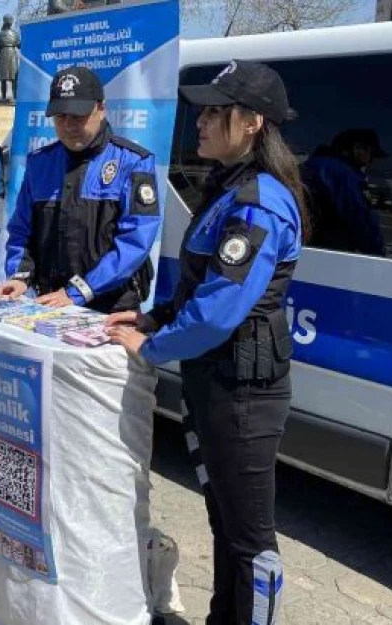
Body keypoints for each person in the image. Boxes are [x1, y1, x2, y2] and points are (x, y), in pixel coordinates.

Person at [105, 60, 309, 625]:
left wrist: (151, 348)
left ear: (252, 124)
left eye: (216, 112)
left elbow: (218, 312)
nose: (200, 121)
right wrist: (151, 318)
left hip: (243, 392)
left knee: (251, 540)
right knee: (224, 521)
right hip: (216, 383)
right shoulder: (228, 188)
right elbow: (199, 285)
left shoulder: (258, 203)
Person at [0, 66, 161, 313]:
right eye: (61, 117)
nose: (69, 125)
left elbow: (135, 241)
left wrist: (79, 291)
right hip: (51, 303)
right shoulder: (39, 163)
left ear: (101, 109)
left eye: (78, 116)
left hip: (112, 306)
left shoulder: (133, 162)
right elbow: (21, 231)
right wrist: (19, 277)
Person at [301, 128, 387, 255]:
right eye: (370, 153)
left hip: (301, 246)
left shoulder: (311, 165)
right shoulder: (344, 176)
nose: (370, 160)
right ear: (357, 149)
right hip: (328, 251)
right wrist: (377, 252)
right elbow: (360, 219)